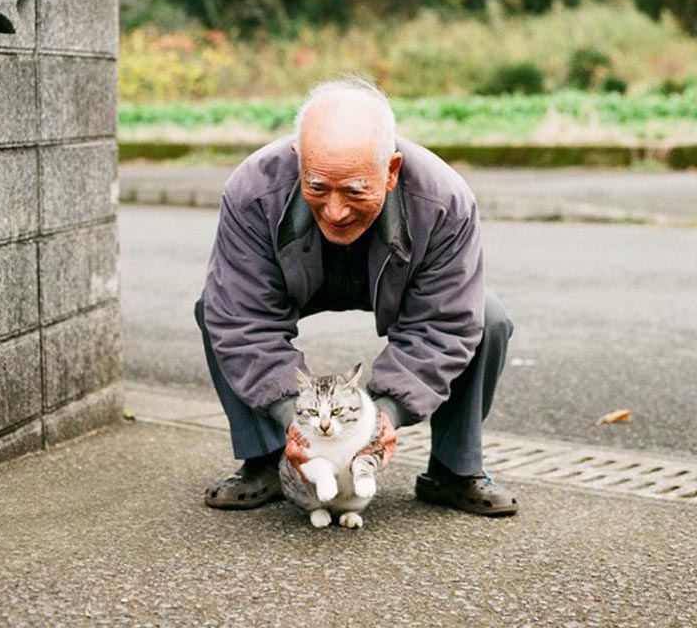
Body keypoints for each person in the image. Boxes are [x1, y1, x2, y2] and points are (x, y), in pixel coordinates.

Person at [194, 77, 518, 517]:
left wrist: (385, 414)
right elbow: (242, 318)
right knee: (215, 306)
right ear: (297, 160)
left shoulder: (446, 200)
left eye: (354, 191)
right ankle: (267, 459)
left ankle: (453, 469)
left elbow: (445, 322)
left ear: (391, 170)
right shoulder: (251, 190)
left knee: (486, 315)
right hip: (296, 279)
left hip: (399, 282)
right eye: (318, 188)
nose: (335, 211)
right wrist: (295, 421)